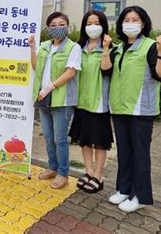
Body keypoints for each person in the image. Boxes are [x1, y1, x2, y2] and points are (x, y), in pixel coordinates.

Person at [102, 6, 161, 213]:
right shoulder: (118, 48)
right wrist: (105, 48)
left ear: (143, 23)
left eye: (135, 19)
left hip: (141, 110)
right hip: (120, 108)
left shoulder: (149, 46)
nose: (130, 23)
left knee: (140, 153)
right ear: (121, 24)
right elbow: (105, 70)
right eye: (127, 19)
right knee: (124, 151)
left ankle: (140, 196)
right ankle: (124, 188)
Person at [29, 12, 81, 189]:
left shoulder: (73, 47)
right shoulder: (44, 46)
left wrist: (48, 88)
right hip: (43, 98)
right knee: (49, 138)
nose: (57, 28)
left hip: (62, 99)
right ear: (48, 28)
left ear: (67, 26)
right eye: (53, 25)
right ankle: (52, 167)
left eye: (61, 24)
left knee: (60, 139)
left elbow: (70, 72)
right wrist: (32, 49)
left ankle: (63, 173)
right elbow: (36, 67)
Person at [68, 10, 113, 193]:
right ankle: (88, 172)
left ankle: (98, 175)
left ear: (103, 25)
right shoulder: (78, 48)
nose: (92, 27)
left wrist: (106, 49)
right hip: (81, 101)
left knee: (100, 141)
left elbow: (106, 70)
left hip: (99, 103)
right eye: (88, 23)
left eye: (96, 23)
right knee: (85, 140)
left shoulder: (111, 48)